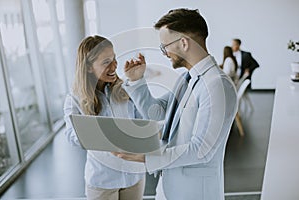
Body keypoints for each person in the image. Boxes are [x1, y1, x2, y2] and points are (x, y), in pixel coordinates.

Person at [114, 8, 238, 200]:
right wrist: (137, 82)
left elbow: (202, 150)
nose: (164, 53)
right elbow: (158, 113)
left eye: (165, 46)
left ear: (183, 43)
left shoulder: (217, 85)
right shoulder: (185, 78)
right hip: (168, 187)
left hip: (195, 193)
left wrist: (148, 158)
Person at [63, 35, 145, 200]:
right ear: (88, 67)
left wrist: (139, 82)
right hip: (102, 180)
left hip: (134, 175)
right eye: (106, 62)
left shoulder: (126, 90)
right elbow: (71, 136)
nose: (115, 66)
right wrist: (99, 134)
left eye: (114, 59)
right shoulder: (75, 98)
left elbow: (142, 121)